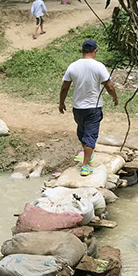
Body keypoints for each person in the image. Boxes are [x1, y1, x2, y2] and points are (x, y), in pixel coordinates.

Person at [59, 39, 118, 176]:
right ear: (95, 50)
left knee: (82, 132)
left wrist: (61, 102)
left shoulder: (73, 66)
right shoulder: (99, 66)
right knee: (90, 135)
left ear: (82, 50)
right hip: (93, 107)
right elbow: (109, 86)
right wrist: (115, 97)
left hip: (78, 107)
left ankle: (87, 154)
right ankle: (85, 166)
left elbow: (64, 87)